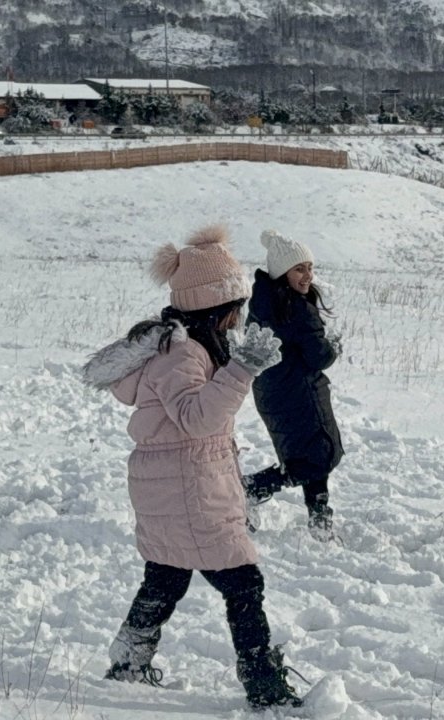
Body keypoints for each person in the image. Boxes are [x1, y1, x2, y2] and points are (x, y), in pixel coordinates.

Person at [81, 225, 303, 709]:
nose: (238, 319)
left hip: (176, 483)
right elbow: (196, 417)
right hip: (187, 489)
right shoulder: (183, 353)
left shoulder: (187, 347)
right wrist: (242, 368)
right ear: (213, 308)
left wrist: (234, 367)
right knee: (243, 580)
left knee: (167, 575)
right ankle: (265, 686)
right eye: (235, 309)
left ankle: (129, 658)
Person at [241, 229, 344, 541]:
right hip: (299, 393)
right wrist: (333, 347)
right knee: (315, 456)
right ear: (282, 273)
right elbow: (319, 357)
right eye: (299, 269)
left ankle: (320, 520)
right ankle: (250, 489)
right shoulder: (296, 308)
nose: (307, 275)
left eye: (310, 267)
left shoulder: (263, 303)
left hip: (274, 393)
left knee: (310, 454)